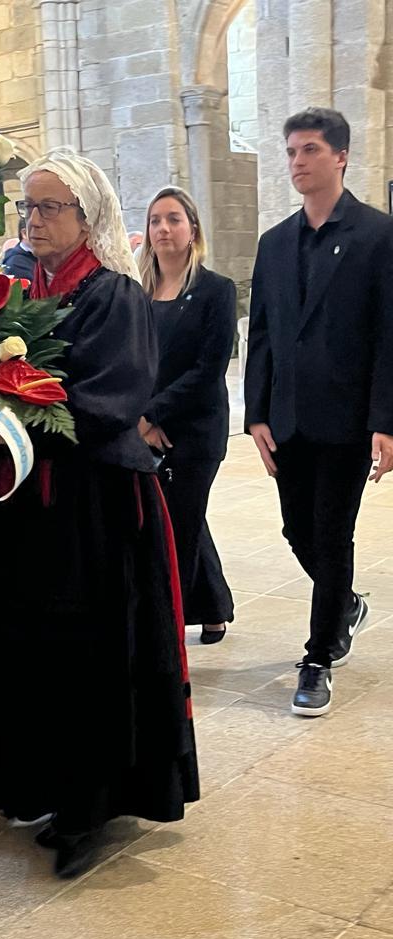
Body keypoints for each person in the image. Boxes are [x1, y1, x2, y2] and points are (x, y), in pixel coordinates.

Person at [0, 149, 200, 878]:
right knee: (36, 645)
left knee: (88, 653)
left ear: (87, 216)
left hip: (94, 505)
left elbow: (104, 402)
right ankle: (47, 783)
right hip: (30, 501)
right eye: (27, 207)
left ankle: (90, 806)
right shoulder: (19, 293)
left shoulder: (114, 295)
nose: (33, 220)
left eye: (49, 207)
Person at [244, 107, 393, 718]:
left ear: (341, 157)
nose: (297, 162)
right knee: (296, 529)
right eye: (291, 151)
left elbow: (388, 336)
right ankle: (345, 605)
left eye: (309, 150)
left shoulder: (378, 235)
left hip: (347, 418)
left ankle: (318, 657)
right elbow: (262, 335)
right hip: (287, 416)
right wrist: (255, 414)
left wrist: (386, 420)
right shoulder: (274, 242)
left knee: (332, 533)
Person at [138, 187, 235, 644]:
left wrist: (153, 415)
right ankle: (212, 607)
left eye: (174, 219)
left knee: (179, 526)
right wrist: (141, 419)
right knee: (183, 518)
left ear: (192, 230)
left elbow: (208, 369)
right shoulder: (137, 291)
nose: (163, 228)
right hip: (146, 427)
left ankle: (167, 632)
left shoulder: (216, 290)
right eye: (155, 220)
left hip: (194, 430)